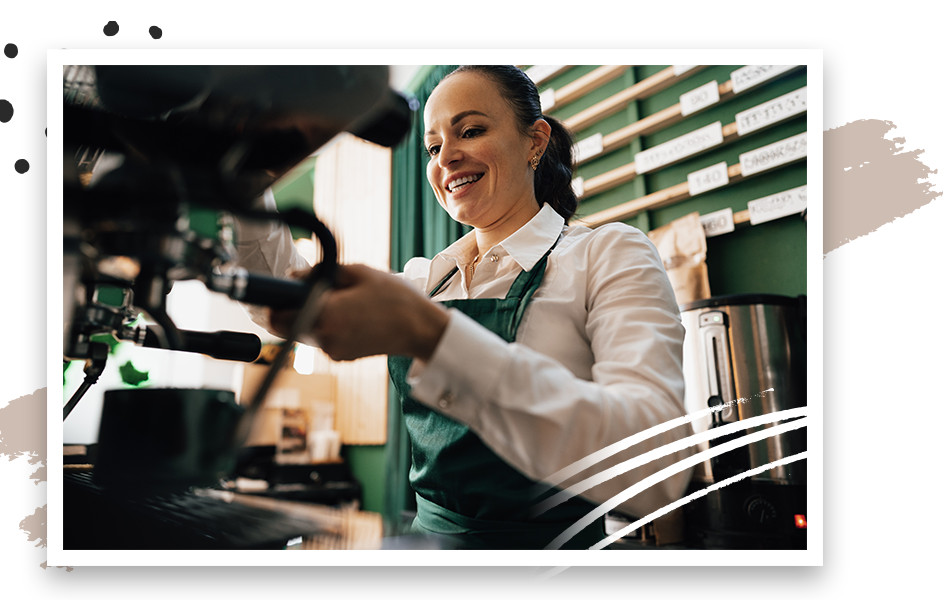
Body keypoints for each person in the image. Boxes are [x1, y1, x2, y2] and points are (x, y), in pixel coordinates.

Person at [234, 65, 695, 549]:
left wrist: (433, 335)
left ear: (535, 142)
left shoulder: (606, 253)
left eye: (470, 131)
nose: (446, 158)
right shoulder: (425, 279)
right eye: (433, 147)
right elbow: (281, 296)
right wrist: (242, 175)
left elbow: (655, 468)